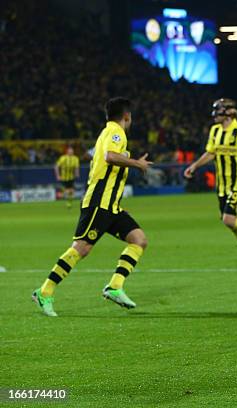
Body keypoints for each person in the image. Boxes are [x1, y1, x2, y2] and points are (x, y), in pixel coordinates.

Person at [32, 97, 153, 317]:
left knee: (139, 239)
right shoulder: (116, 132)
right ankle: (44, 291)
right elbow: (110, 157)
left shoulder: (109, 132)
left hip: (111, 205)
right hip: (99, 203)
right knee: (81, 248)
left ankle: (115, 287)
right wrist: (137, 163)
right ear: (127, 116)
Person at [184, 99, 237, 271]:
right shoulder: (215, 130)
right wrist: (194, 165)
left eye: (218, 111)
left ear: (229, 113)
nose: (215, 114)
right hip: (222, 183)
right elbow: (211, 152)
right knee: (231, 223)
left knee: (228, 219)